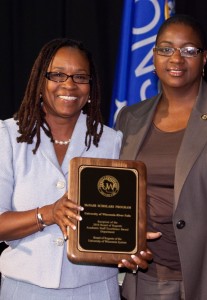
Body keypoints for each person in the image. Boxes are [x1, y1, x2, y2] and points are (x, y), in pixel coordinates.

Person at [0, 38, 125, 300]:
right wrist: (47, 213)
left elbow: (120, 218)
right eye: (57, 75)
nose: (69, 85)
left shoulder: (112, 141)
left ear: (91, 88)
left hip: (96, 289)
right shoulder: (8, 137)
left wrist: (131, 242)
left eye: (80, 77)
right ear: (39, 82)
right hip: (25, 289)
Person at [116, 14, 207, 300]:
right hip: (148, 275)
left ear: (204, 59)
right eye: (166, 49)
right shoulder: (130, 118)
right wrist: (120, 241)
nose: (176, 58)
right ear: (154, 57)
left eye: (189, 50)